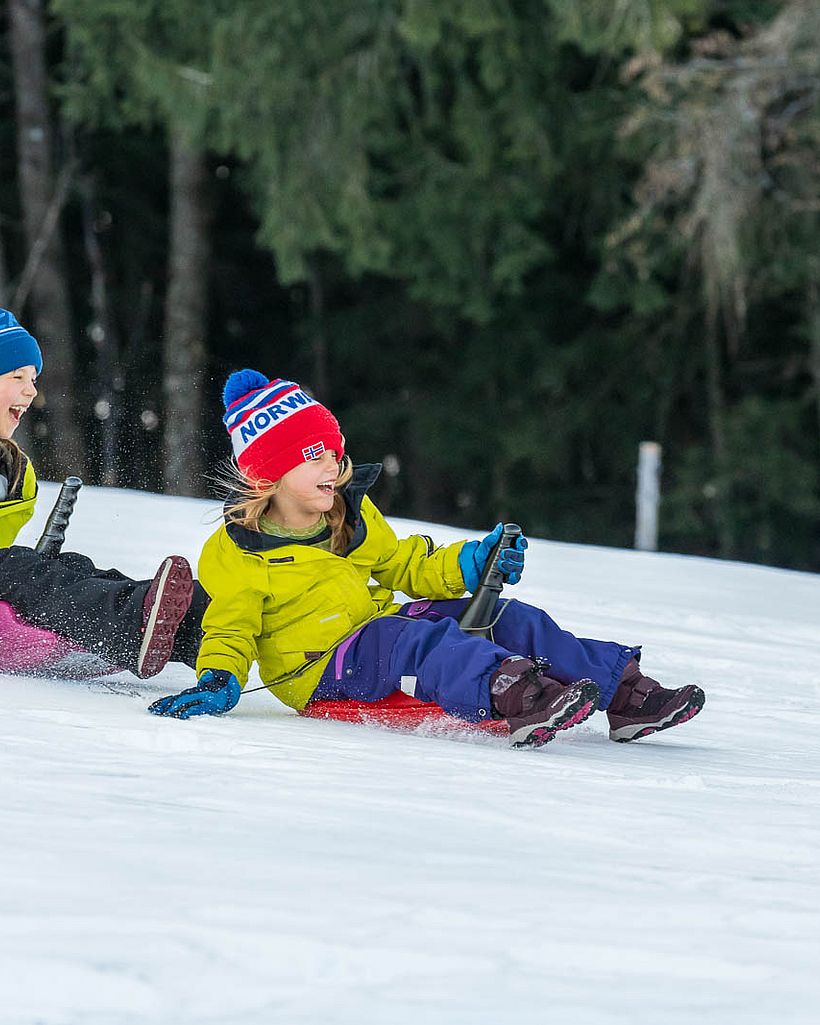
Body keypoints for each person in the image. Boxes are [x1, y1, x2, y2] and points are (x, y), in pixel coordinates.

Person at [149, 369, 705, 749]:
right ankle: (515, 695)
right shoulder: (239, 551)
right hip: (318, 669)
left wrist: (471, 563)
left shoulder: (346, 515)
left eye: (334, 451)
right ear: (268, 472)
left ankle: (625, 694)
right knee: (420, 641)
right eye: (313, 455)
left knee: (508, 617)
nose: (332, 466)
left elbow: (406, 567)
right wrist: (219, 677)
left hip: (375, 629)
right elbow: (230, 626)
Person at [0, 307, 205, 679]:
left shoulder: (12, 468)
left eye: (33, 378)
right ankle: (130, 627)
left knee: (69, 567)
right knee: (19, 569)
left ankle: (198, 623)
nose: (31, 390)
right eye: (17, 377)